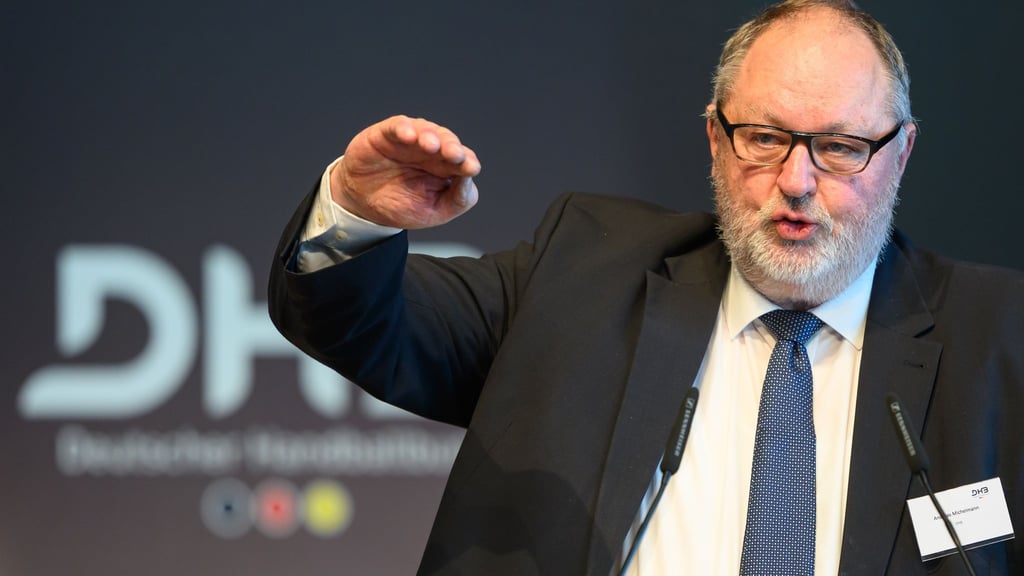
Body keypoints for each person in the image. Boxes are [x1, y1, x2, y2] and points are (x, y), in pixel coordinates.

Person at [269, 0, 1023, 573]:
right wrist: (357, 217)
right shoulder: (586, 274)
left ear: (902, 152)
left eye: (840, 147)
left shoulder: (997, 337)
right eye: (765, 139)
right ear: (715, 141)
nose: (797, 182)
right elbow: (371, 324)